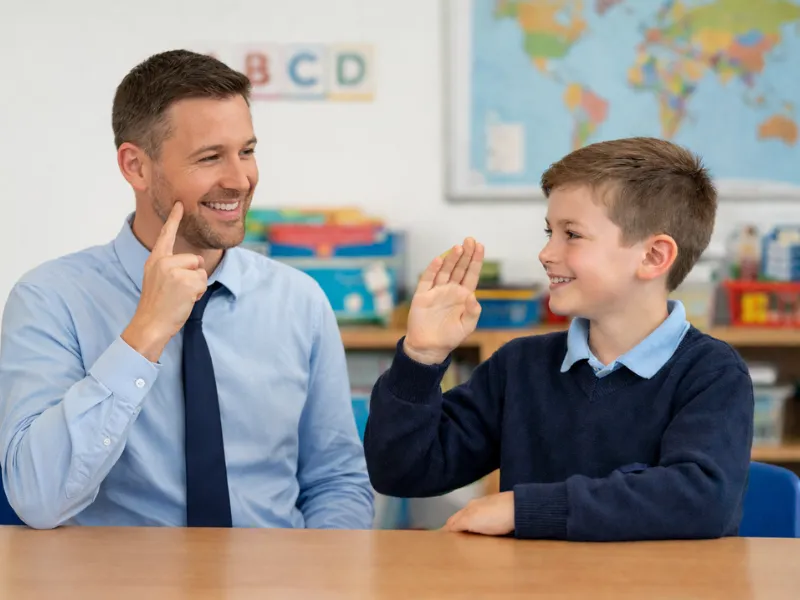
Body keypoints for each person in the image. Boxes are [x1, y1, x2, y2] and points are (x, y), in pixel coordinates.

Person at [0, 49, 374, 530]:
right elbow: (37, 498)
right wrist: (145, 334)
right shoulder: (49, 300)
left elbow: (336, 481)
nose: (240, 180)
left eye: (247, 151)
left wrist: (318, 577)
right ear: (136, 167)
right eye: (210, 157)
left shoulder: (299, 302)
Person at [364, 137, 754, 541]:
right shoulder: (520, 366)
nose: (546, 253)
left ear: (654, 256)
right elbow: (402, 472)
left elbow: (699, 500)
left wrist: (523, 509)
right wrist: (421, 357)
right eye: (550, 231)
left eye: (572, 234)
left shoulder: (712, 374)